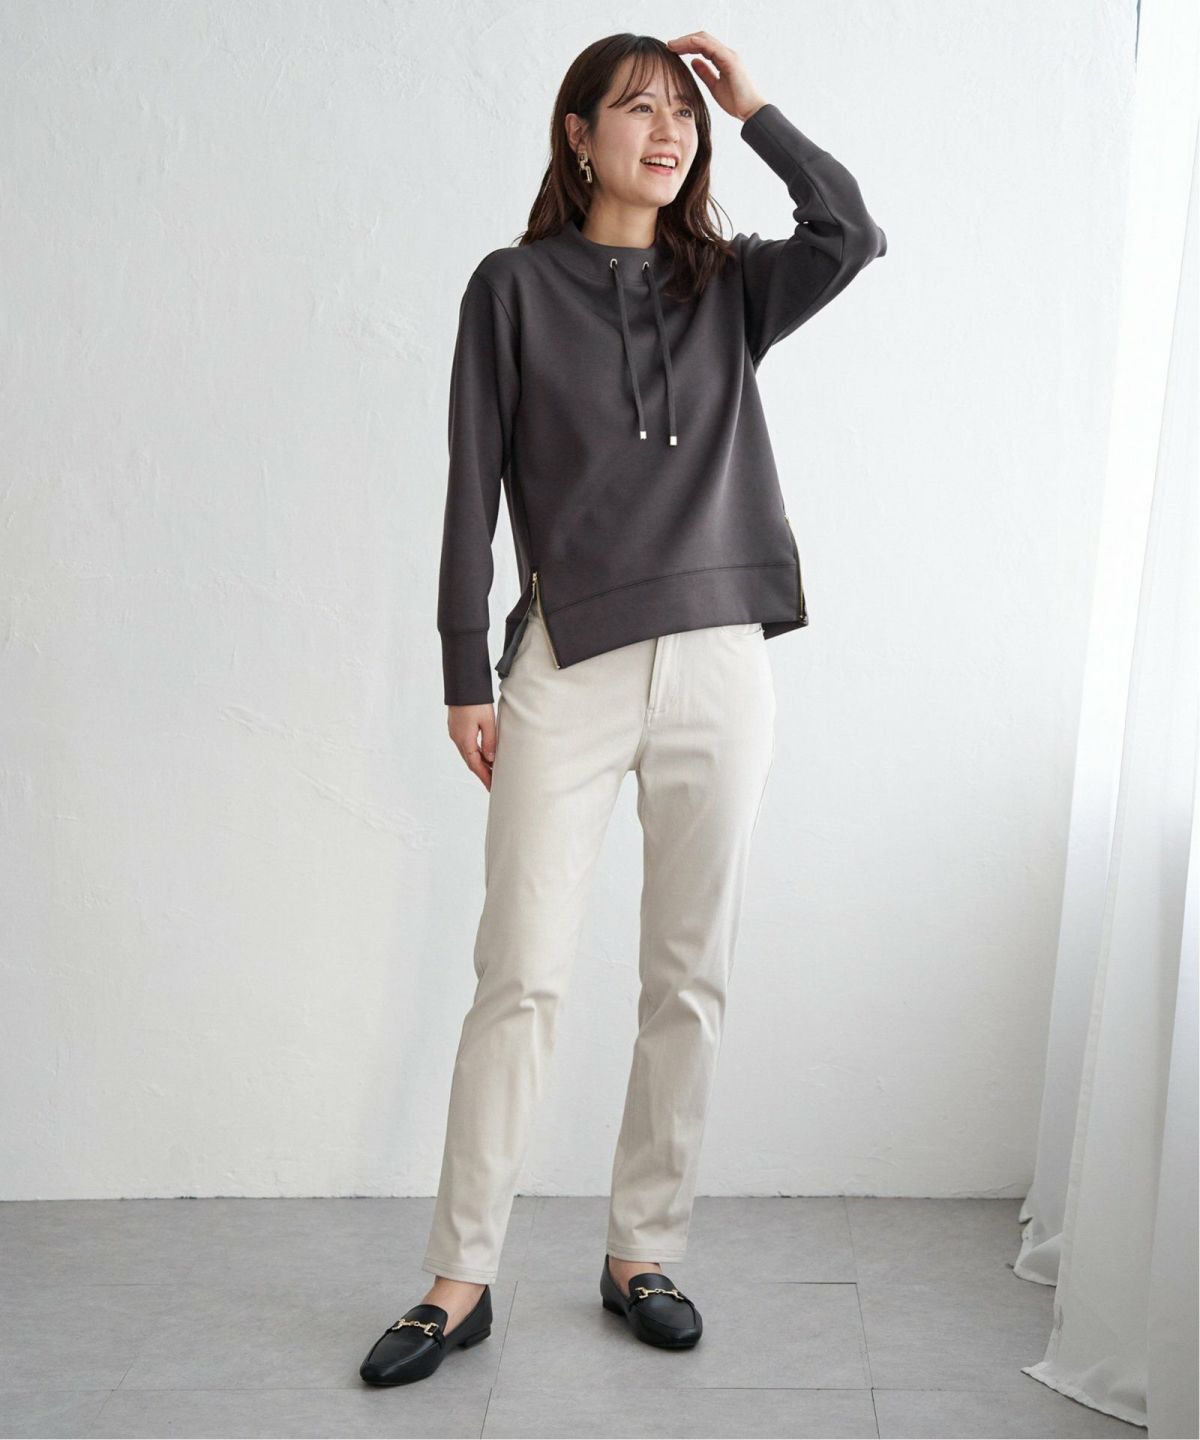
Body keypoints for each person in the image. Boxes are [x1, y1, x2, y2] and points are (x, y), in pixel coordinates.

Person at [360, 28, 886, 1387]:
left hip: (719, 659)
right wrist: (463, 671)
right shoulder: (512, 287)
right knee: (520, 975)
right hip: (570, 665)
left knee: (687, 978)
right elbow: (472, 483)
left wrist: (754, 108)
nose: (668, 132)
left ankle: (641, 1252)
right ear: (578, 134)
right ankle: (459, 1279)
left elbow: (851, 230)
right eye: (637, 109)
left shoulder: (728, 286)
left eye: (682, 116)